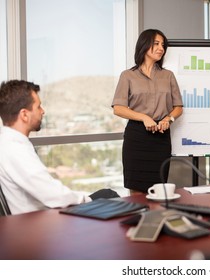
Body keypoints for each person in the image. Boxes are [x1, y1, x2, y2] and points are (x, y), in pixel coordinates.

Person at [0, 80, 119, 215]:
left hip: (43, 214)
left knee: (106, 194)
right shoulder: (15, 149)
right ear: (24, 115)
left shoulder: (7, 142)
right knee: (109, 195)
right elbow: (52, 194)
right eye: (38, 107)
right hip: (47, 219)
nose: (42, 111)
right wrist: (88, 199)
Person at [112, 29, 183, 193]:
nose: (161, 48)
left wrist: (168, 119)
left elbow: (178, 107)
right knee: (136, 193)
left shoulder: (168, 76)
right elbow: (118, 108)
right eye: (156, 44)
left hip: (161, 138)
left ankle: (155, 219)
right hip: (136, 138)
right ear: (144, 45)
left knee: (160, 191)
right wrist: (144, 117)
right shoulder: (128, 76)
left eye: (163, 45)